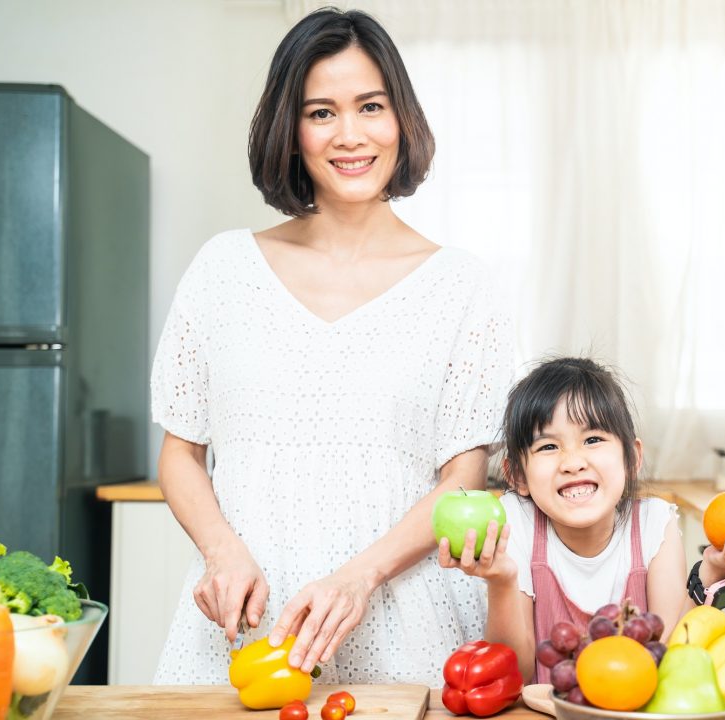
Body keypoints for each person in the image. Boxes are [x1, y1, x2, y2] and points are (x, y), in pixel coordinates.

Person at [150, 7, 513, 685]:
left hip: (407, 621)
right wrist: (220, 550)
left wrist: (358, 578)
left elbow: (462, 478)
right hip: (248, 624)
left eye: (370, 106)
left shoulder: (465, 287)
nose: (350, 135)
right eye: (321, 112)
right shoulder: (222, 269)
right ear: (291, 130)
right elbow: (180, 452)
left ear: (400, 117)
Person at [438, 357, 725, 682]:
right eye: (548, 446)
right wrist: (502, 582)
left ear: (631, 458)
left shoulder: (654, 523)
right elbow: (516, 673)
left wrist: (712, 571)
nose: (572, 461)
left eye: (593, 439)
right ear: (517, 475)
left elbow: (667, 654)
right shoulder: (517, 523)